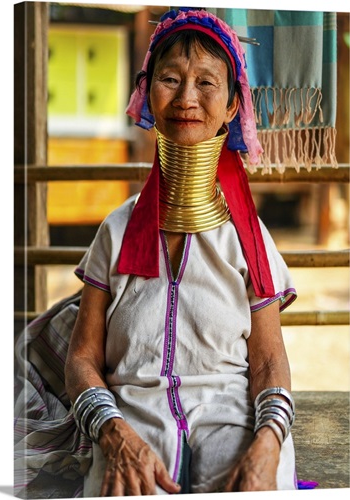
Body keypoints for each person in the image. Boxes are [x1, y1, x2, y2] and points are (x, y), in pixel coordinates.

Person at [63, 7, 298, 496]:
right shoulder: (118, 227)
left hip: (232, 420)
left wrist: (268, 445)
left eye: (207, 83)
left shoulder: (247, 236)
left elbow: (269, 364)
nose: (187, 98)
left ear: (233, 106)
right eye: (170, 79)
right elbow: (82, 359)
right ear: (148, 93)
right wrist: (114, 434)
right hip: (131, 424)